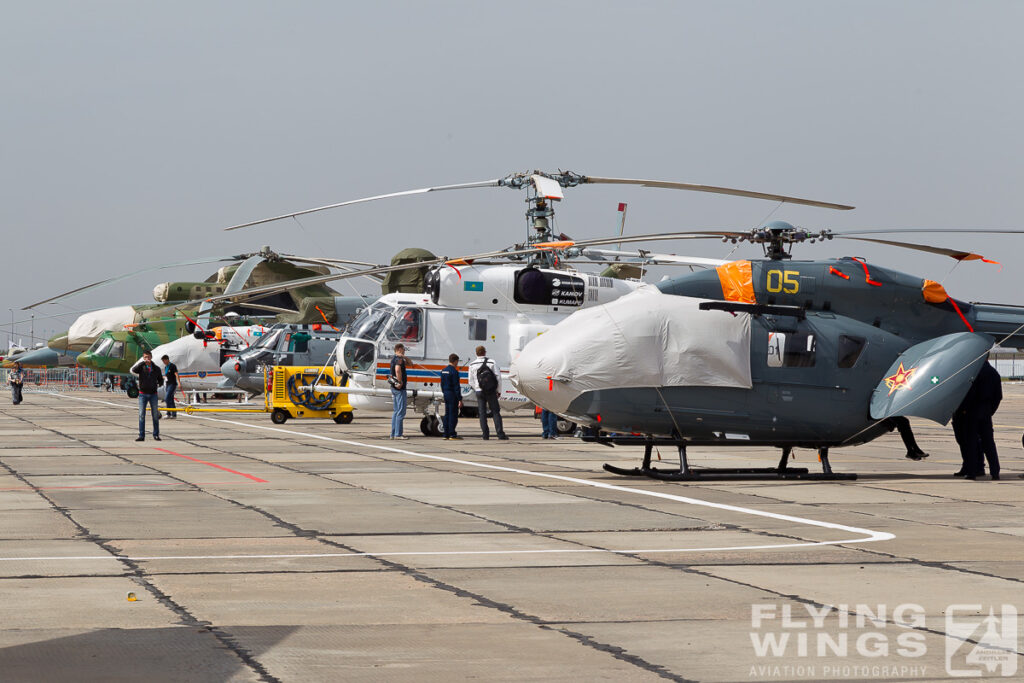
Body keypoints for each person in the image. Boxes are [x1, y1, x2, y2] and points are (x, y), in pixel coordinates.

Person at [953, 361, 1003, 480]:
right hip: (985, 412)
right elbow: (998, 396)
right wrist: (990, 411)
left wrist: (963, 410)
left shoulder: (972, 372)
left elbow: (967, 394)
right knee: (989, 444)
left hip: (971, 412)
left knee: (971, 442)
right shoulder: (993, 373)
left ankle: (972, 472)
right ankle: (995, 472)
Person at [468, 346, 507, 440]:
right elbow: (498, 378)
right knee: (495, 412)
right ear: (485, 352)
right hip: (490, 391)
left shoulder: (472, 364)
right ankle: (500, 434)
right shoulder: (491, 362)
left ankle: (485, 435)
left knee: (482, 413)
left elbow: (470, 381)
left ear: (476, 353)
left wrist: (477, 387)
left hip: (479, 391)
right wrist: (498, 391)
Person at [131, 350, 164, 442]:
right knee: (141, 415)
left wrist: (158, 384)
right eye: (145, 357)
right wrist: (142, 363)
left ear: (151, 357)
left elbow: (160, 379)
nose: (147, 359)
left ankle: (156, 434)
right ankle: (141, 435)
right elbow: (134, 370)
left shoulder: (156, 368)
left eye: (148, 357)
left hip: (153, 394)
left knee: (155, 415)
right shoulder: (141, 367)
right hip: (142, 394)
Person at [439, 353, 462, 440]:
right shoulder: (454, 371)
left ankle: (446, 434)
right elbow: (456, 386)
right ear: (455, 361)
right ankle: (452, 434)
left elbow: (442, 384)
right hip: (452, 394)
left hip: (446, 393)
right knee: (453, 414)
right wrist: (459, 399)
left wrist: (444, 392)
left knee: (447, 414)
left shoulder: (443, 370)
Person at [388, 343, 408, 439]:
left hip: (393, 388)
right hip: (400, 389)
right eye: (404, 349)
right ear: (400, 349)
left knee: (396, 411)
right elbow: (397, 369)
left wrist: (404, 356)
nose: (404, 351)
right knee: (401, 411)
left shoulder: (394, 358)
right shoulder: (399, 360)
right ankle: (398, 434)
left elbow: (410, 363)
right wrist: (400, 382)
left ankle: (393, 433)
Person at [161, 354, 179, 419]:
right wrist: (163, 377)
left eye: (164, 361)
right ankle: (173, 414)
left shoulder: (172, 366)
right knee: (171, 399)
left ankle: (168, 413)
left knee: (167, 398)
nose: (163, 362)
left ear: (167, 360)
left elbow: (176, 374)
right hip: (167, 384)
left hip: (172, 384)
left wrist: (179, 383)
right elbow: (167, 375)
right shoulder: (166, 367)